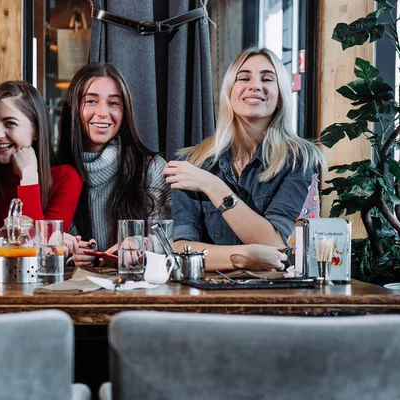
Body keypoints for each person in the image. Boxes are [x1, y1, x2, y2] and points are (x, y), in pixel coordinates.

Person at [164, 47, 325, 271]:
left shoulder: (300, 159)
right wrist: (239, 256)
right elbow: (179, 249)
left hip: (276, 295)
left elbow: (275, 246)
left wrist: (212, 185)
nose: (255, 85)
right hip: (207, 294)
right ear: (229, 92)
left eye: (267, 79)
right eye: (244, 78)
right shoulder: (193, 162)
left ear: (280, 97)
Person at [57, 63, 171, 267]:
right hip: (74, 293)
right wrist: (69, 257)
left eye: (113, 103)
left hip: (137, 292)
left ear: (124, 111)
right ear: (73, 108)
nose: (102, 112)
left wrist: (141, 244)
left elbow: (170, 240)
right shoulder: (57, 173)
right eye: (91, 101)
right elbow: (42, 244)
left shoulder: (150, 168)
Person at [0, 81, 82, 232]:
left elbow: (39, 247)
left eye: (10, 123)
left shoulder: (66, 177)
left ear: (36, 130)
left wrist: (28, 178)